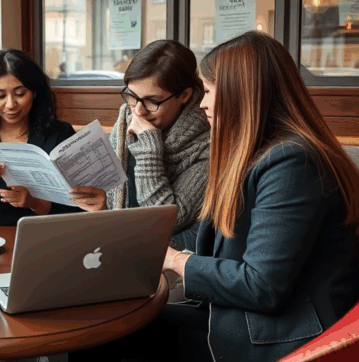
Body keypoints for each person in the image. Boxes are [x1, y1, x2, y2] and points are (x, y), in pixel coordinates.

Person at [72, 31, 359, 362]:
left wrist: (175, 259)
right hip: (239, 316)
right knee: (103, 329)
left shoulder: (291, 163)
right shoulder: (260, 152)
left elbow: (262, 287)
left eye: (208, 92)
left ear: (243, 94)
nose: (204, 103)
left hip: (279, 337)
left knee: (108, 333)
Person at [0, 49, 106, 227]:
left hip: (35, 232)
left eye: (20, 94)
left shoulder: (60, 133)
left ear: (34, 92)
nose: (11, 104)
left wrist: (35, 202)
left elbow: (77, 207)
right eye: (0, 96)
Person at [107, 40, 210, 250]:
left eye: (152, 101)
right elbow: (115, 201)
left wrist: (149, 153)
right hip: (117, 246)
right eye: (132, 96)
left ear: (185, 95)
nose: (138, 111)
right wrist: (100, 205)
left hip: (171, 263)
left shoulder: (207, 145)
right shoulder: (126, 119)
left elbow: (166, 220)